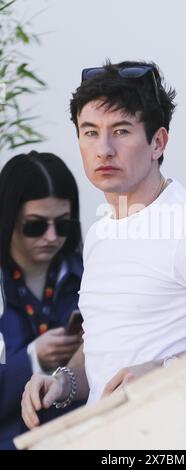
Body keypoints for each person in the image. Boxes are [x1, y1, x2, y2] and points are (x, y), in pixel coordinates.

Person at [21, 60, 186, 430]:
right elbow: (106, 347)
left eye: (121, 131)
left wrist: (166, 369)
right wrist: (62, 381)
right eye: (90, 132)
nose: (103, 149)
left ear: (158, 142)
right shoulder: (101, 232)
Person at [0, 151, 84, 449]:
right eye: (35, 225)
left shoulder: (89, 277)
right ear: (8, 219)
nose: (51, 237)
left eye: (62, 225)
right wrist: (33, 358)